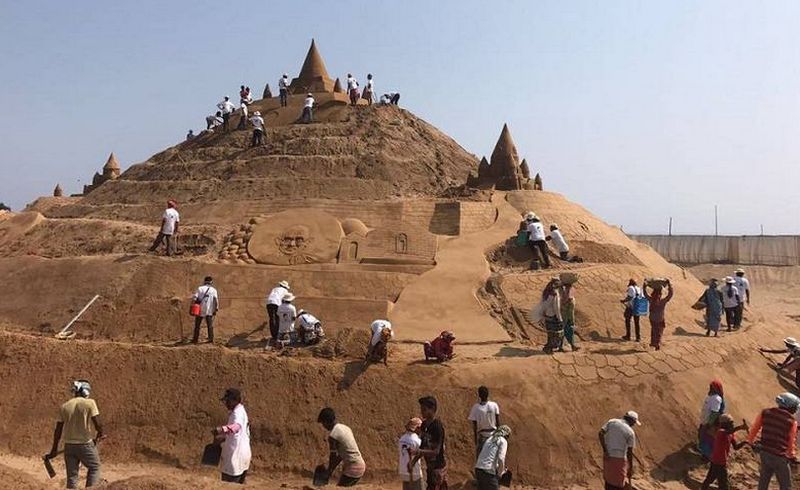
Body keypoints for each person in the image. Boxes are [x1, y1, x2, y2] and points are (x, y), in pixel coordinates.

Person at [47, 381, 105, 489]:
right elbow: (98, 424)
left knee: (72, 477)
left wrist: (54, 450)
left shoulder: (64, 406)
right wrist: (100, 434)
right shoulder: (90, 403)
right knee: (95, 467)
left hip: (69, 446)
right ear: (85, 391)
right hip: (85, 444)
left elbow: (58, 431)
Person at [748, 392, 800, 490]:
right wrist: (792, 455)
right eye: (795, 407)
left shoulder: (765, 412)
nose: (795, 410)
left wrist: (750, 441)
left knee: (764, 480)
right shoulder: (792, 422)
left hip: (764, 453)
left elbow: (754, 429)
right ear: (790, 407)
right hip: (779, 457)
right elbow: (790, 441)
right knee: (786, 485)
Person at [317, 407, 366, 487]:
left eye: (323, 423)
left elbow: (333, 456)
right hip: (360, 466)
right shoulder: (346, 428)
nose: (323, 426)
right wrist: (329, 471)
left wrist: (328, 472)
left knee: (340, 487)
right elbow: (340, 456)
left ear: (326, 422)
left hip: (353, 468)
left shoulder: (333, 435)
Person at [700, 414, 749, 490]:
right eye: (731, 423)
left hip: (717, 462)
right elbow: (729, 432)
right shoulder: (721, 432)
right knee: (723, 485)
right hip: (719, 463)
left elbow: (736, 447)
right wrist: (741, 427)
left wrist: (745, 442)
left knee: (709, 480)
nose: (732, 424)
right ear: (725, 424)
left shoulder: (730, 434)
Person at [213, 388, 251, 484]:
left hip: (235, 458)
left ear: (235, 400)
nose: (226, 403)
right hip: (243, 455)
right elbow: (238, 434)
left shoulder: (237, 413)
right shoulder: (241, 411)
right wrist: (224, 438)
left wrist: (221, 429)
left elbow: (236, 427)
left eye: (228, 401)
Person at [409, 396, 447, 490]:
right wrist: (413, 462)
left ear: (433, 409)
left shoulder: (437, 427)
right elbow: (423, 446)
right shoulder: (424, 425)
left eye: (424, 409)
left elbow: (436, 451)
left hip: (438, 469)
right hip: (430, 468)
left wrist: (418, 451)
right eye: (421, 409)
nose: (422, 411)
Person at [599, 411, 640, 490]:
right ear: (631, 420)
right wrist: (630, 468)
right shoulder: (630, 432)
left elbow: (600, 433)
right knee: (618, 484)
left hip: (608, 456)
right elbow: (629, 452)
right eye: (634, 422)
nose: (634, 424)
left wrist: (605, 450)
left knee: (608, 480)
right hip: (620, 459)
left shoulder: (612, 422)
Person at [474, 425, 511, 490]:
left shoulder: (490, 439)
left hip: (478, 469)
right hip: (488, 473)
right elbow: (501, 458)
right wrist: (500, 474)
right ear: (506, 435)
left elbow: (489, 457)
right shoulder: (503, 441)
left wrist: (499, 469)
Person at [468, 386, 501, 456]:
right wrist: (499, 436)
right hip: (493, 436)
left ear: (479, 395)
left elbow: (475, 426)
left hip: (482, 437)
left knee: (480, 460)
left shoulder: (476, 408)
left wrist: (475, 439)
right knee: (495, 458)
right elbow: (498, 423)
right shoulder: (494, 405)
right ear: (488, 394)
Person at [698, 380, 725, 460]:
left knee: (707, 439)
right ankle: (703, 451)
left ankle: (707, 456)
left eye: (712, 387)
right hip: (704, 421)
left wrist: (709, 424)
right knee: (701, 435)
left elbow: (714, 413)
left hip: (709, 423)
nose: (710, 388)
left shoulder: (716, 399)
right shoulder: (710, 396)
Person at [643, 280, 673, 350]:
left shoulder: (651, 300)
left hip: (652, 319)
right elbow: (670, 295)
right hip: (659, 319)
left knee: (653, 330)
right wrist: (670, 286)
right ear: (660, 294)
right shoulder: (662, 302)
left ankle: (653, 343)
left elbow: (645, 294)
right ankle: (657, 344)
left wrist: (644, 286)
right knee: (659, 332)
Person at [192, 276, 219, 343]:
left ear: (204, 281)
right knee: (210, 326)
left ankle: (195, 340)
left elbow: (195, 298)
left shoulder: (200, 288)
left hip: (199, 310)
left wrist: (192, 306)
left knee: (197, 325)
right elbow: (215, 300)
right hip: (209, 310)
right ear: (211, 282)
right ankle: (210, 339)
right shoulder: (214, 290)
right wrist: (216, 308)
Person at [398, 417, 424, 490]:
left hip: (403, 471)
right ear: (417, 428)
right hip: (414, 472)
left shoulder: (401, 439)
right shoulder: (417, 441)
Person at [541, 278, 563, 353]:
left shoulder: (546, 292)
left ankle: (548, 347)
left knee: (550, 333)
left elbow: (543, 304)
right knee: (554, 333)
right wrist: (560, 319)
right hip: (553, 316)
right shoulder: (555, 294)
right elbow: (556, 308)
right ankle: (549, 348)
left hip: (547, 315)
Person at [560, 281, 579, 351]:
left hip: (565, 318)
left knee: (565, 332)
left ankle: (567, 345)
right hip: (566, 318)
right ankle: (569, 346)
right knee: (566, 332)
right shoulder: (568, 299)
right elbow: (570, 311)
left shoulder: (565, 296)